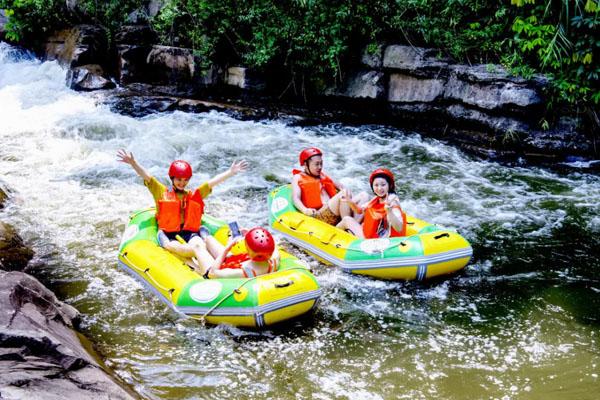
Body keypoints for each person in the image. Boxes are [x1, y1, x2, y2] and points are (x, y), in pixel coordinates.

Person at [117, 149, 248, 266]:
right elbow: (147, 177)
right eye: (179, 179)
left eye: (185, 180)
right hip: (168, 235)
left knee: (198, 244)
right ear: (172, 178)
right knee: (183, 248)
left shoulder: (193, 195)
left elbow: (211, 183)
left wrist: (231, 172)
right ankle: (206, 266)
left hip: (189, 232)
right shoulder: (161, 192)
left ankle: (228, 260)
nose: (182, 183)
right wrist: (133, 163)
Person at [291, 147, 366, 225]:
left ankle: (354, 224)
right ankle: (347, 226)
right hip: (320, 215)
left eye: (321, 163)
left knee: (364, 195)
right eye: (316, 164)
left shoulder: (323, 175)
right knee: (343, 194)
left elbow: (342, 187)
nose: (320, 167)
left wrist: (350, 202)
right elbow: (295, 198)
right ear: (306, 165)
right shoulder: (298, 177)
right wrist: (305, 210)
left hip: (335, 211)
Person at [336, 168, 407, 239]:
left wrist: (389, 211)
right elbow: (359, 211)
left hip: (376, 242)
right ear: (372, 187)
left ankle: (334, 237)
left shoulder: (393, 201)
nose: (379, 188)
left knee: (346, 219)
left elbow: (399, 228)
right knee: (361, 223)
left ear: (390, 185)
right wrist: (349, 201)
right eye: (376, 185)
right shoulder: (377, 199)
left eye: (383, 185)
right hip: (373, 236)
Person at [197, 227, 280, 279]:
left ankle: (193, 239)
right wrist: (249, 233)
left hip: (212, 271)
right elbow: (273, 243)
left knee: (197, 247)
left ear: (248, 250)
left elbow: (212, 273)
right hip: (233, 262)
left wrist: (227, 249)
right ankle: (206, 238)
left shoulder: (244, 273)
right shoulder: (274, 260)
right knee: (209, 239)